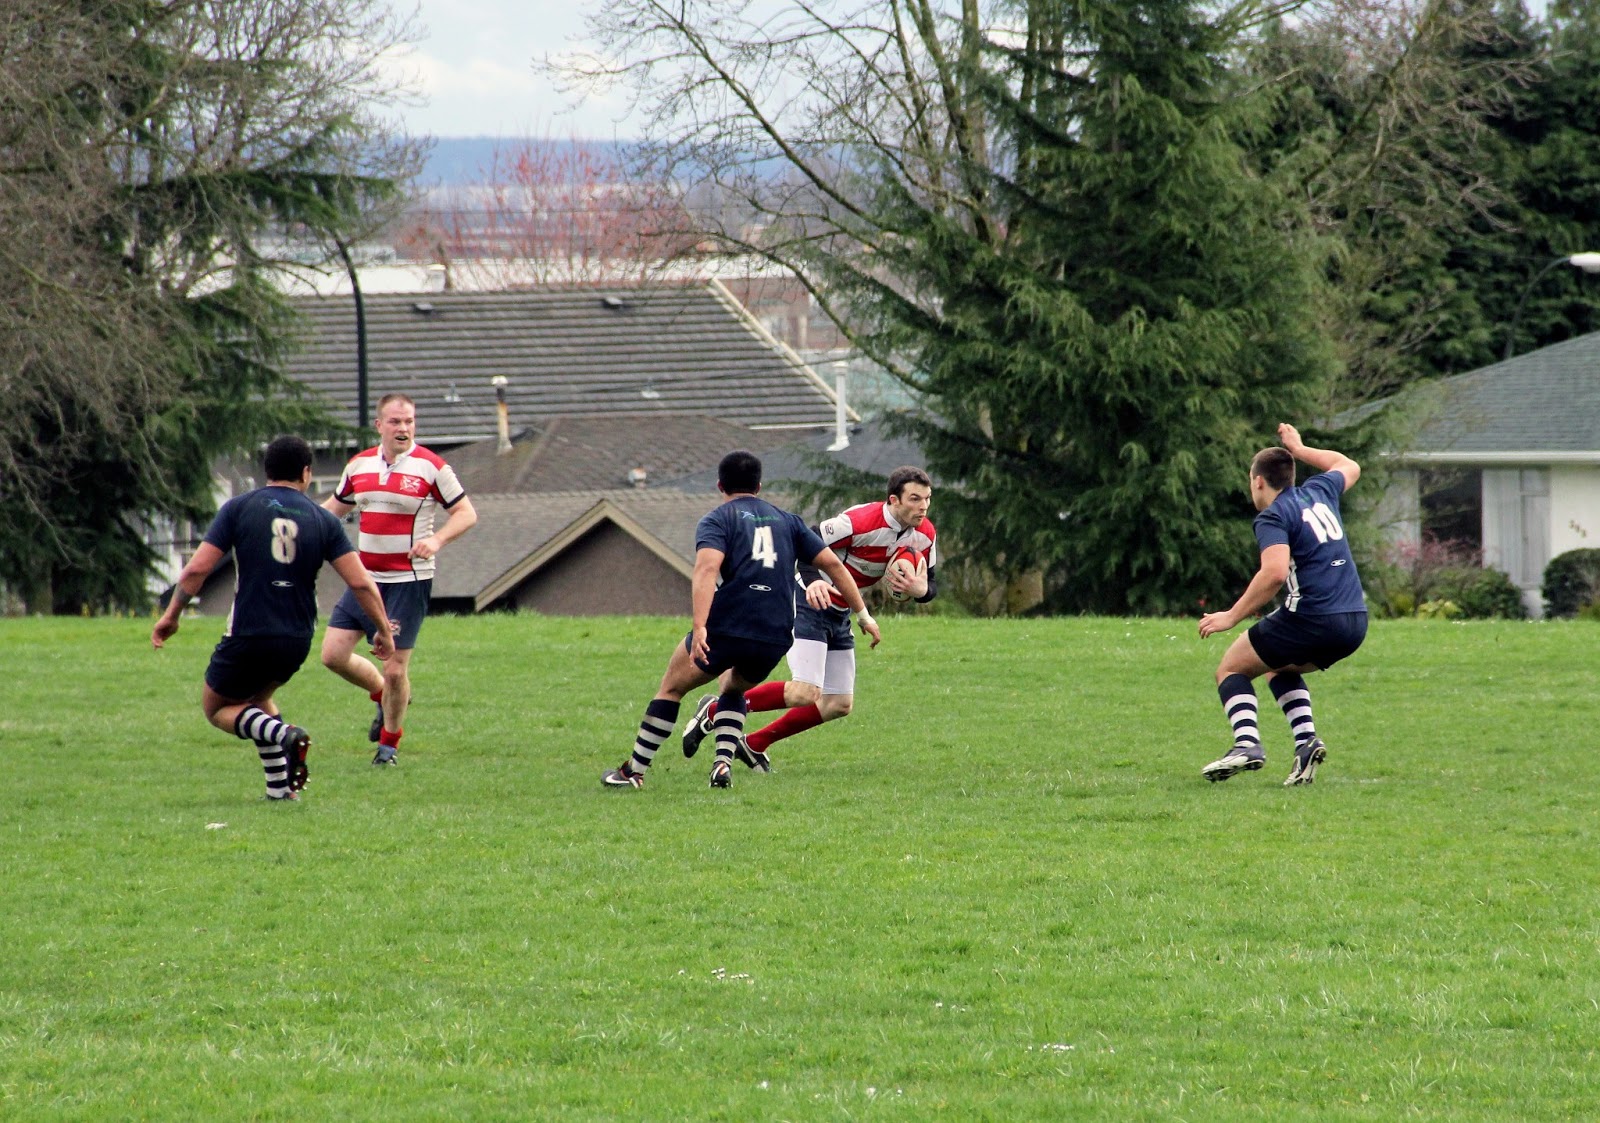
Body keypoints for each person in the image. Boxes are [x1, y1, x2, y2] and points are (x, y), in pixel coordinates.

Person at [603, 450, 883, 791]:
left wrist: (701, 625)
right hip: (776, 633)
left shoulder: (718, 519)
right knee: (734, 686)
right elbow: (835, 566)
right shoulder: (788, 520)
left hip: (730, 624)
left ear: (720, 486)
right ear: (759, 486)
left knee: (672, 687)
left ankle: (634, 771)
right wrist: (863, 614)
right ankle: (722, 765)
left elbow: (706, 571)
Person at [152, 435, 396, 800]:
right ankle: (281, 790)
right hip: (296, 639)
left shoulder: (238, 508)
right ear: (307, 473)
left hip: (249, 632)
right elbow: (361, 583)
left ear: (266, 472)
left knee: (217, 707)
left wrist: (172, 615)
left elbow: (196, 569)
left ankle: (286, 736)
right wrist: (382, 631)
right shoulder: (323, 520)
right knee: (259, 702)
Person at [680, 466, 937, 771]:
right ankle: (715, 710)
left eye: (927, 499)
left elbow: (929, 584)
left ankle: (754, 743)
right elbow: (809, 539)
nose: (922, 507)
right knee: (805, 691)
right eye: (914, 499)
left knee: (838, 703)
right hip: (807, 602)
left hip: (841, 612)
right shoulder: (860, 521)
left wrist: (921, 591)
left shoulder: (925, 534)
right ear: (894, 500)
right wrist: (814, 579)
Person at [1198, 423, 1367, 786]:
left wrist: (1230, 616)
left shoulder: (1274, 515)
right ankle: (1306, 743)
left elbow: (1273, 573)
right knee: (1279, 665)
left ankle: (1247, 745)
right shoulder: (1321, 490)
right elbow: (1347, 464)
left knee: (1231, 669)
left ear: (1258, 481)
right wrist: (1300, 447)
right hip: (1355, 621)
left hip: (1313, 618)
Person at [319, 392, 477, 765]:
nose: (403, 428)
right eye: (395, 421)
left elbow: (467, 513)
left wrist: (436, 540)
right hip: (365, 579)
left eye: (409, 421)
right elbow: (331, 512)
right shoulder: (358, 467)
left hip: (408, 581)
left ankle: (388, 746)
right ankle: (382, 696)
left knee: (394, 669)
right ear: (379, 426)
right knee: (332, 655)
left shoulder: (432, 467)